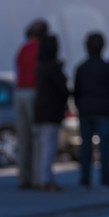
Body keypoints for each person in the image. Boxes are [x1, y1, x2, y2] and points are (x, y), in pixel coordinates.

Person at [73, 32, 109, 189]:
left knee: (85, 147)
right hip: (103, 111)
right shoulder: (107, 68)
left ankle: (85, 179)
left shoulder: (81, 68)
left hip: (86, 111)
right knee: (104, 149)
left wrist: (79, 107)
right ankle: (105, 179)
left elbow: (76, 91)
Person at [14, 19, 47, 189]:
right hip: (34, 92)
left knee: (23, 138)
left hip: (20, 91)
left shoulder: (22, 49)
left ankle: (22, 176)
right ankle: (36, 177)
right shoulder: (41, 49)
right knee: (37, 136)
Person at [33, 35, 68, 192]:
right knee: (49, 145)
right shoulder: (53, 67)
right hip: (51, 110)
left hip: (40, 109)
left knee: (42, 145)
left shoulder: (40, 66)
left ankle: (42, 177)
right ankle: (46, 179)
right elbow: (62, 88)